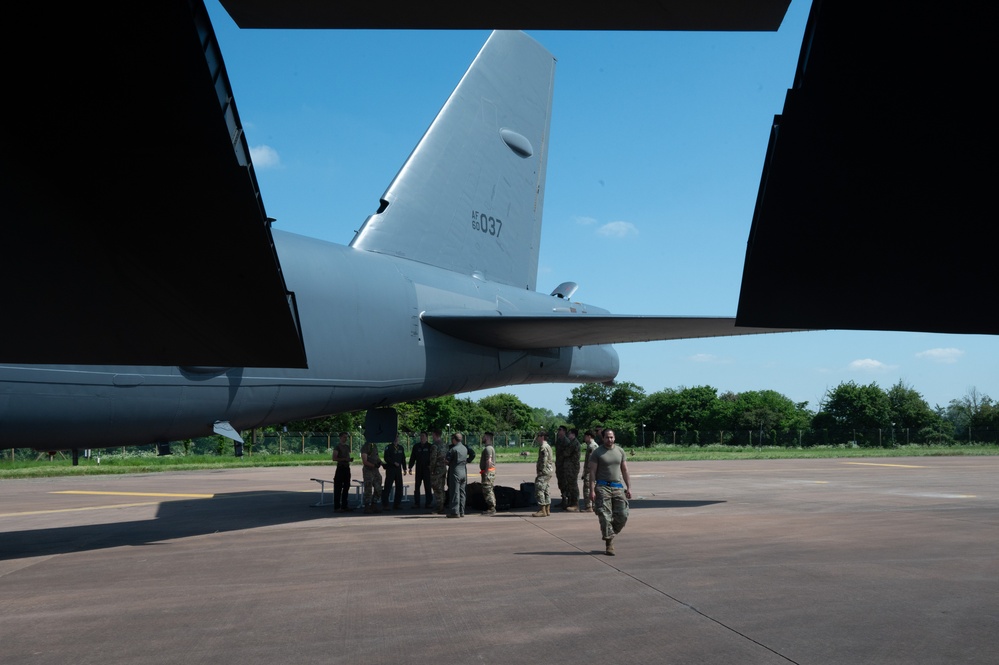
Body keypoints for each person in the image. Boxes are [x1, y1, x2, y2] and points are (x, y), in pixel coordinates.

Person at [587, 429, 632, 555]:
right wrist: (592, 490)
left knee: (623, 515)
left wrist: (629, 487)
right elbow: (592, 472)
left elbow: (625, 470)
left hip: (617, 486)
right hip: (602, 487)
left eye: (611, 437)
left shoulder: (620, 451)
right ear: (603, 438)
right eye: (607, 437)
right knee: (605, 516)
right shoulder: (597, 453)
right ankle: (609, 543)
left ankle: (610, 532)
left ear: (615, 437)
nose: (610, 440)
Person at [531, 430, 554, 517]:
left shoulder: (543, 447)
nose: (537, 438)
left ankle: (542, 510)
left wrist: (541, 469)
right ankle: (547, 509)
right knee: (546, 489)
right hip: (549, 470)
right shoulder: (548, 446)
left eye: (538, 436)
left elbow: (543, 459)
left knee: (539, 488)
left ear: (542, 437)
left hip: (544, 471)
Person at [445, 432, 468, 518]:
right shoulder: (464, 448)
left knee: (454, 492)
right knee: (462, 492)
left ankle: (455, 512)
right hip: (463, 471)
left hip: (455, 472)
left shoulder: (453, 449)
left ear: (454, 439)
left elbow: (447, 461)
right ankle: (462, 511)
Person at [408, 431, 433, 509]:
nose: (421, 438)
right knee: (417, 486)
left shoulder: (430, 446)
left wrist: (432, 467)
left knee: (428, 486)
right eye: (421, 436)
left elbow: (433, 458)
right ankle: (417, 503)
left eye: (423, 436)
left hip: (427, 469)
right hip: (419, 469)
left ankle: (428, 503)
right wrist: (410, 467)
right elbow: (413, 457)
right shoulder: (416, 446)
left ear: (426, 437)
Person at [381, 435, 406, 510]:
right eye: (394, 438)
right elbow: (386, 458)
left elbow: (403, 458)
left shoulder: (401, 448)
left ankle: (397, 504)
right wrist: (393, 462)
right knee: (388, 487)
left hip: (398, 470)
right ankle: (385, 504)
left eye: (397, 438)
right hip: (390, 469)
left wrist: (404, 468)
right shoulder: (388, 447)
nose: (396, 440)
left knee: (399, 487)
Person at [331, 432, 353, 512]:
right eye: (344, 437)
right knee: (338, 488)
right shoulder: (337, 447)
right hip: (340, 468)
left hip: (347, 467)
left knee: (346, 487)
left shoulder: (347, 447)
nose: (345, 439)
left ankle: (344, 505)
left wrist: (349, 460)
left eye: (346, 437)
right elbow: (334, 458)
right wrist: (344, 459)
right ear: (340, 437)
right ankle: (337, 506)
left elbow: (347, 456)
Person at [360, 438, 383, 514]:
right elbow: (365, 461)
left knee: (378, 488)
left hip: (375, 470)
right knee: (368, 488)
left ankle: (374, 504)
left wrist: (382, 463)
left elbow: (377, 457)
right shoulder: (365, 447)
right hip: (368, 471)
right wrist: (373, 465)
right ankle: (367, 506)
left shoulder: (374, 446)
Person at [429, 429, 448, 514]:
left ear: (435, 435)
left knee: (437, 489)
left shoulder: (435, 446)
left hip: (436, 470)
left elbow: (433, 459)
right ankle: (442, 505)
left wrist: (431, 469)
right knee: (442, 487)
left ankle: (439, 507)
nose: (432, 436)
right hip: (443, 468)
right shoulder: (444, 444)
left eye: (433, 435)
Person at [562, 428, 581, 511]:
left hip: (573, 467)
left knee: (573, 486)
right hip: (570, 467)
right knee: (570, 485)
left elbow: (566, 453)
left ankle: (575, 504)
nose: (568, 435)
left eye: (569, 434)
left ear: (573, 434)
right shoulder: (572, 443)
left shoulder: (574, 443)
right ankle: (571, 502)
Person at [580, 430, 599, 512]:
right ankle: (593, 505)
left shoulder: (592, 446)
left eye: (585, 436)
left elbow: (591, 461)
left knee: (588, 488)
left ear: (589, 436)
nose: (584, 438)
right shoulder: (591, 445)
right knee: (591, 487)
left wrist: (587, 471)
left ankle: (589, 506)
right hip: (590, 470)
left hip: (590, 471)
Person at [479, 432, 497, 515]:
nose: (482, 438)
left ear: (487, 437)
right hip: (490, 471)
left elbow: (488, 461)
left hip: (488, 472)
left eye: (484, 436)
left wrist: (486, 472)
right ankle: (491, 507)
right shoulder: (490, 448)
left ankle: (491, 508)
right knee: (488, 489)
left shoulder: (488, 449)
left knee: (487, 489)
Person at [553, 425, 568, 507]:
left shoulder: (566, 441)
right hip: (559, 464)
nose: (558, 431)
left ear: (564, 431)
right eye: (558, 430)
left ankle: (567, 500)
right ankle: (563, 500)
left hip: (564, 465)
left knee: (565, 483)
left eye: (560, 430)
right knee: (560, 483)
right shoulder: (558, 440)